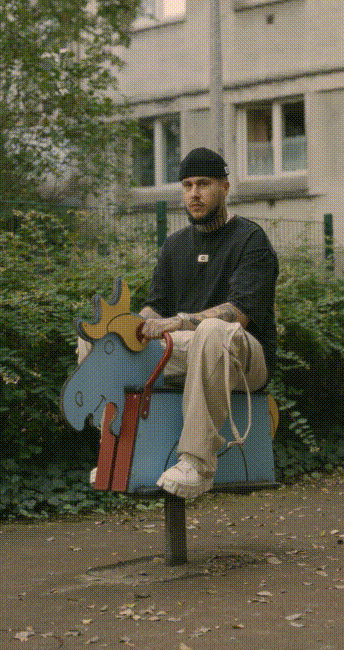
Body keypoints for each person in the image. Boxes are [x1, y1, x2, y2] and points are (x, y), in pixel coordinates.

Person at [137, 147, 279, 499]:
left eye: (203, 183)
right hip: (191, 348)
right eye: (186, 185)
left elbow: (240, 313)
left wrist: (180, 321)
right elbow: (154, 307)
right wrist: (129, 329)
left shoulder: (250, 239)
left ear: (226, 187)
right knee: (104, 341)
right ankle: (117, 452)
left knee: (212, 330)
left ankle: (197, 464)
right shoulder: (174, 245)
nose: (194, 194)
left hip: (244, 356)